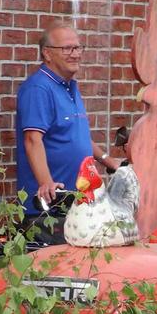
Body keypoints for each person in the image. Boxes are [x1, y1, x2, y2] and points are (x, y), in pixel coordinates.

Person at [15, 21, 118, 215]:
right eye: (67, 48)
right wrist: (46, 183)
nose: (76, 54)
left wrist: (107, 160)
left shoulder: (69, 86)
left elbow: (74, 135)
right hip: (49, 206)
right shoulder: (39, 88)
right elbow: (32, 139)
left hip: (77, 202)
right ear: (47, 53)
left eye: (78, 48)